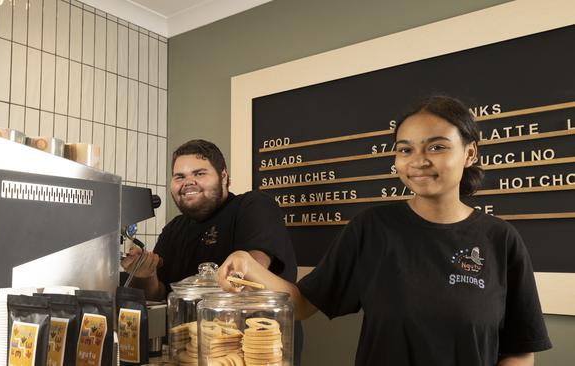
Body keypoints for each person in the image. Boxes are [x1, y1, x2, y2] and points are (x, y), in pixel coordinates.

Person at [216, 96, 552, 366]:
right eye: (406, 149)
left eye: (436, 147)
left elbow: (520, 349)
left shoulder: (501, 239)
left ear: (469, 153)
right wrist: (248, 265)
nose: (418, 160)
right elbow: (304, 304)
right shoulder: (372, 228)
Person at [121, 139, 303, 364]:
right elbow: (157, 295)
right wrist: (144, 274)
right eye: (180, 177)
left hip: (255, 353)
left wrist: (240, 267)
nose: (188, 182)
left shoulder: (253, 205)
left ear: (224, 176)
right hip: (189, 354)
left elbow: (254, 266)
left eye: (199, 173)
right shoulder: (174, 229)